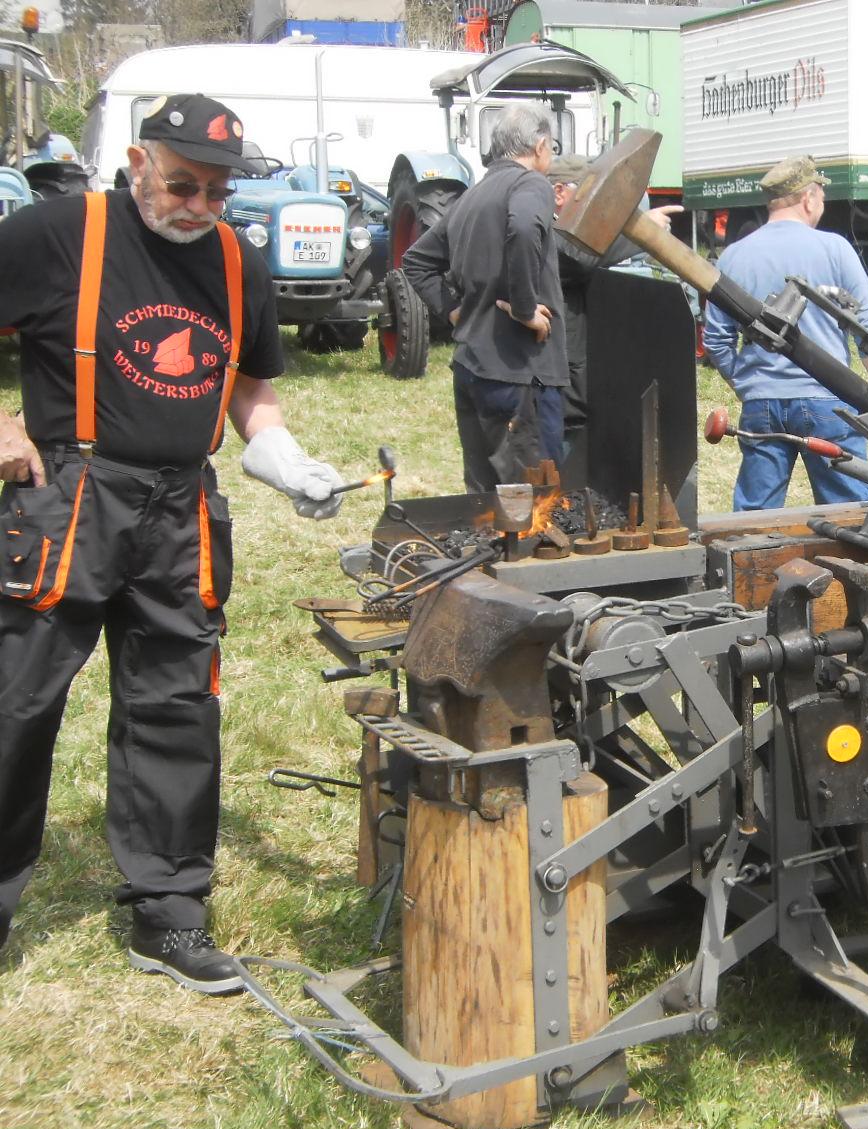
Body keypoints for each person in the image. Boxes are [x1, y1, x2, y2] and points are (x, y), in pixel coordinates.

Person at [0, 95, 345, 992]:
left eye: (217, 191)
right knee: (16, 703)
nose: (199, 206)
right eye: (183, 185)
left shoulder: (236, 261)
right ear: (138, 163)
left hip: (182, 510)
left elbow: (251, 390)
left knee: (178, 708)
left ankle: (169, 915)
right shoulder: (58, 233)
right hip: (70, 500)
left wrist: (284, 457)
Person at [702, 155, 868, 511]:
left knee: (752, 522)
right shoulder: (835, 249)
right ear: (809, 198)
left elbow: (716, 341)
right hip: (830, 403)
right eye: (822, 197)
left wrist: (748, 385)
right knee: (851, 516)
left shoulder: (733, 257)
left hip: (761, 405)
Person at [403, 102, 567, 489]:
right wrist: (524, 309)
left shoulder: (471, 196)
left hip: (471, 369)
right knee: (534, 499)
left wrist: (453, 310)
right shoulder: (531, 184)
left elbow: (415, 260)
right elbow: (523, 228)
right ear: (541, 146)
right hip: (520, 374)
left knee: (483, 498)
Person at [545, 155, 681, 449]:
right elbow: (579, 258)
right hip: (560, 379)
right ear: (559, 193)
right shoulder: (546, 230)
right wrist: (642, 232)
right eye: (586, 194)